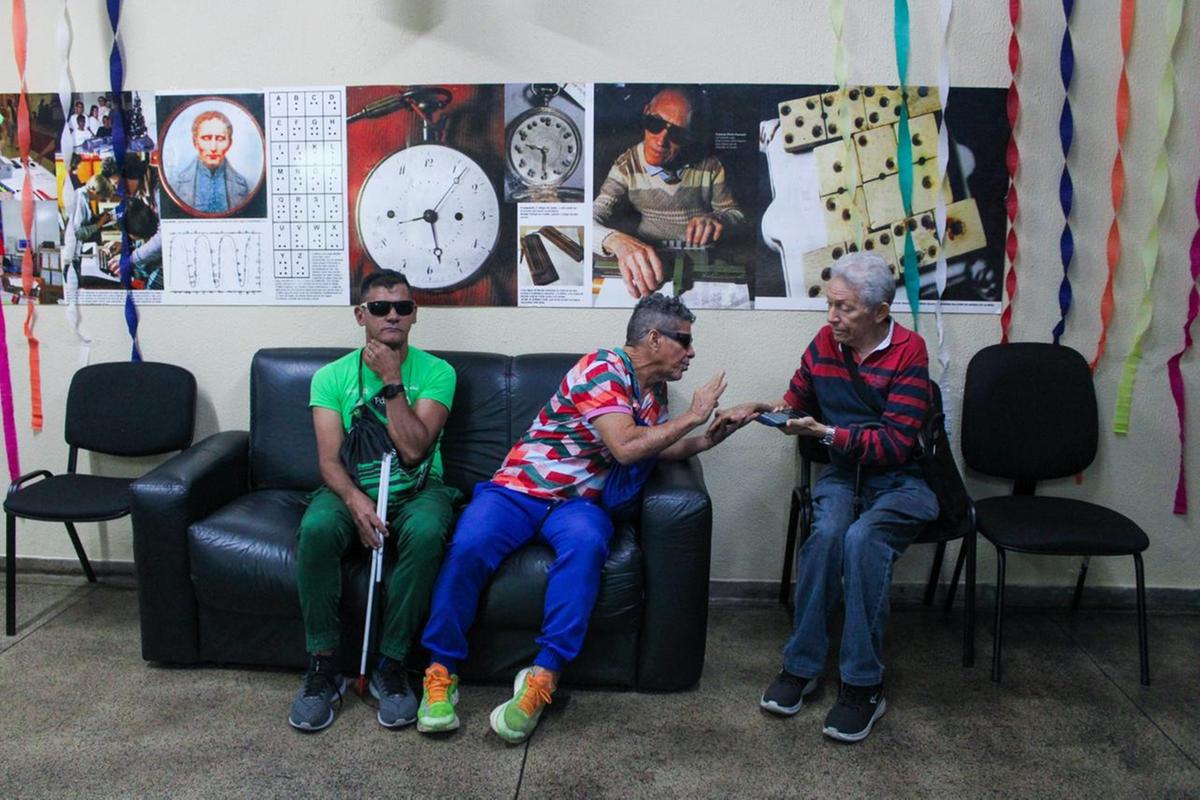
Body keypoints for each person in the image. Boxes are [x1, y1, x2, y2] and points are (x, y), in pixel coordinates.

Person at [416, 293, 739, 743]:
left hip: (577, 505)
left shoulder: (652, 391)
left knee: (587, 547)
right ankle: (440, 671)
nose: (691, 351)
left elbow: (651, 446)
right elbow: (626, 446)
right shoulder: (602, 368)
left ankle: (542, 676)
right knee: (468, 545)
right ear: (653, 338)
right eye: (683, 340)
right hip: (518, 489)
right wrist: (694, 416)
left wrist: (707, 438)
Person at [719, 252, 937, 743]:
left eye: (844, 308)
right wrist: (758, 409)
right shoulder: (824, 343)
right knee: (826, 537)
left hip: (900, 480)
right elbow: (795, 401)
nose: (831, 317)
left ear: (880, 312)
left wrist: (829, 434)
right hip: (844, 475)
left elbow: (896, 444)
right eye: (830, 305)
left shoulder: (910, 352)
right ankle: (801, 666)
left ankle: (864, 684)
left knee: (863, 540)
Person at [288, 269, 462, 733]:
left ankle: (392, 664)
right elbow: (329, 460)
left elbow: (415, 449)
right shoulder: (330, 377)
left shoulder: (438, 373)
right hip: (351, 486)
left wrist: (391, 379)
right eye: (380, 308)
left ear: (414, 315)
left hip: (419, 487)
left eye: (402, 308)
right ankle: (323, 666)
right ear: (360, 315)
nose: (392, 316)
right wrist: (353, 500)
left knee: (427, 531)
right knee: (317, 528)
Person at [592, 86, 745, 298]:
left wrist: (718, 219)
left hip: (700, 264)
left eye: (677, 134)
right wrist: (616, 241)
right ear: (646, 112)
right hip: (649, 262)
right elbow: (589, 219)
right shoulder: (626, 166)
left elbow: (736, 215)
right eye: (654, 124)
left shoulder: (711, 166)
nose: (660, 141)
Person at [167, 109, 252, 214]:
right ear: (195, 142)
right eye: (206, 138)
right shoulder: (175, 184)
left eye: (220, 138)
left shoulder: (244, 186)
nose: (213, 148)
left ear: (229, 143)